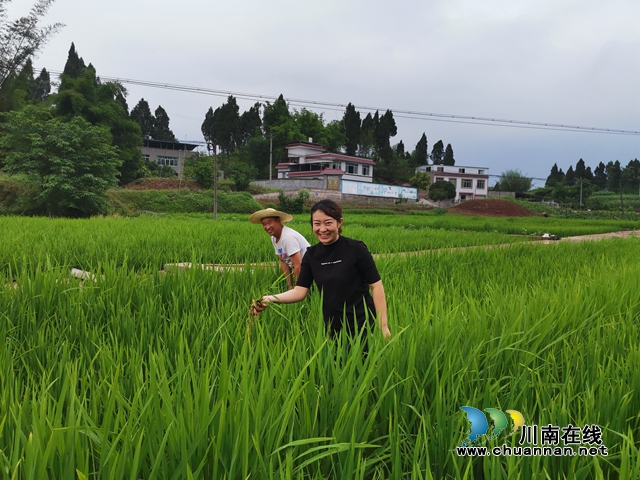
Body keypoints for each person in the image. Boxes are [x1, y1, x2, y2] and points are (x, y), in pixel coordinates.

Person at [253, 200, 391, 340]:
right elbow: (299, 292)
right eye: (317, 223)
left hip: (363, 324)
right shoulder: (311, 255)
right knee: (337, 361)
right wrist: (270, 299)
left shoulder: (356, 249)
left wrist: (383, 325)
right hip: (333, 325)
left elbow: (376, 285)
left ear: (339, 222)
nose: (322, 229)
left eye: (328, 222)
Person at [249, 207, 310, 288]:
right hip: (302, 271)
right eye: (264, 224)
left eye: (269, 222)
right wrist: (289, 286)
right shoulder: (274, 237)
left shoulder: (288, 238)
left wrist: (297, 289)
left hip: (312, 271)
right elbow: (283, 261)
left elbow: (298, 266)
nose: (267, 227)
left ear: (278, 221)